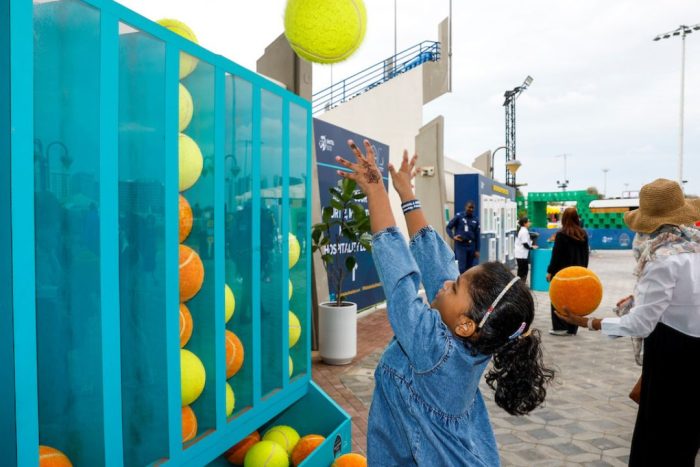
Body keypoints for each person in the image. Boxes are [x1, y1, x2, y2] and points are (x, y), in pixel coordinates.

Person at [336, 141, 554, 466]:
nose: (448, 283)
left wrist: (375, 191)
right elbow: (438, 264)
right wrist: (407, 195)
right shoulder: (475, 337)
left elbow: (400, 284)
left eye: (455, 288)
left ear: (466, 324)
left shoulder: (435, 350)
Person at [554, 178, 700, 467]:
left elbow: (641, 324)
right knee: (685, 437)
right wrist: (639, 298)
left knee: (657, 441)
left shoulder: (661, 259)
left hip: (672, 355)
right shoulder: (693, 247)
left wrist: (588, 322)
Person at [546, 207, 589, 336]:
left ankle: (560, 327)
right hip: (578, 274)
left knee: (558, 299)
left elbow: (556, 255)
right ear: (577, 218)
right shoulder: (583, 234)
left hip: (562, 274)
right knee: (575, 300)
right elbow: (585, 255)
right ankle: (572, 328)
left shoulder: (561, 234)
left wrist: (550, 271)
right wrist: (583, 271)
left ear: (564, 218)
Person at [446, 201, 480, 273]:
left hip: (471, 246)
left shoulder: (475, 219)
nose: (471, 209)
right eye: (469, 207)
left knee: (470, 268)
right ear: (465, 207)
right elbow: (448, 227)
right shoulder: (459, 216)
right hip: (461, 246)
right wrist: (453, 236)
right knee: (462, 268)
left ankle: (469, 283)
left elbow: (477, 235)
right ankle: (461, 283)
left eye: (472, 208)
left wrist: (477, 250)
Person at [514, 217, 536, 282]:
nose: (529, 223)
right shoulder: (524, 231)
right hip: (521, 255)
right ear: (524, 223)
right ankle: (521, 284)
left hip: (521, 254)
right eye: (528, 222)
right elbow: (525, 243)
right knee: (523, 270)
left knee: (522, 270)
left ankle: (520, 284)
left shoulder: (523, 230)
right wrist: (531, 247)